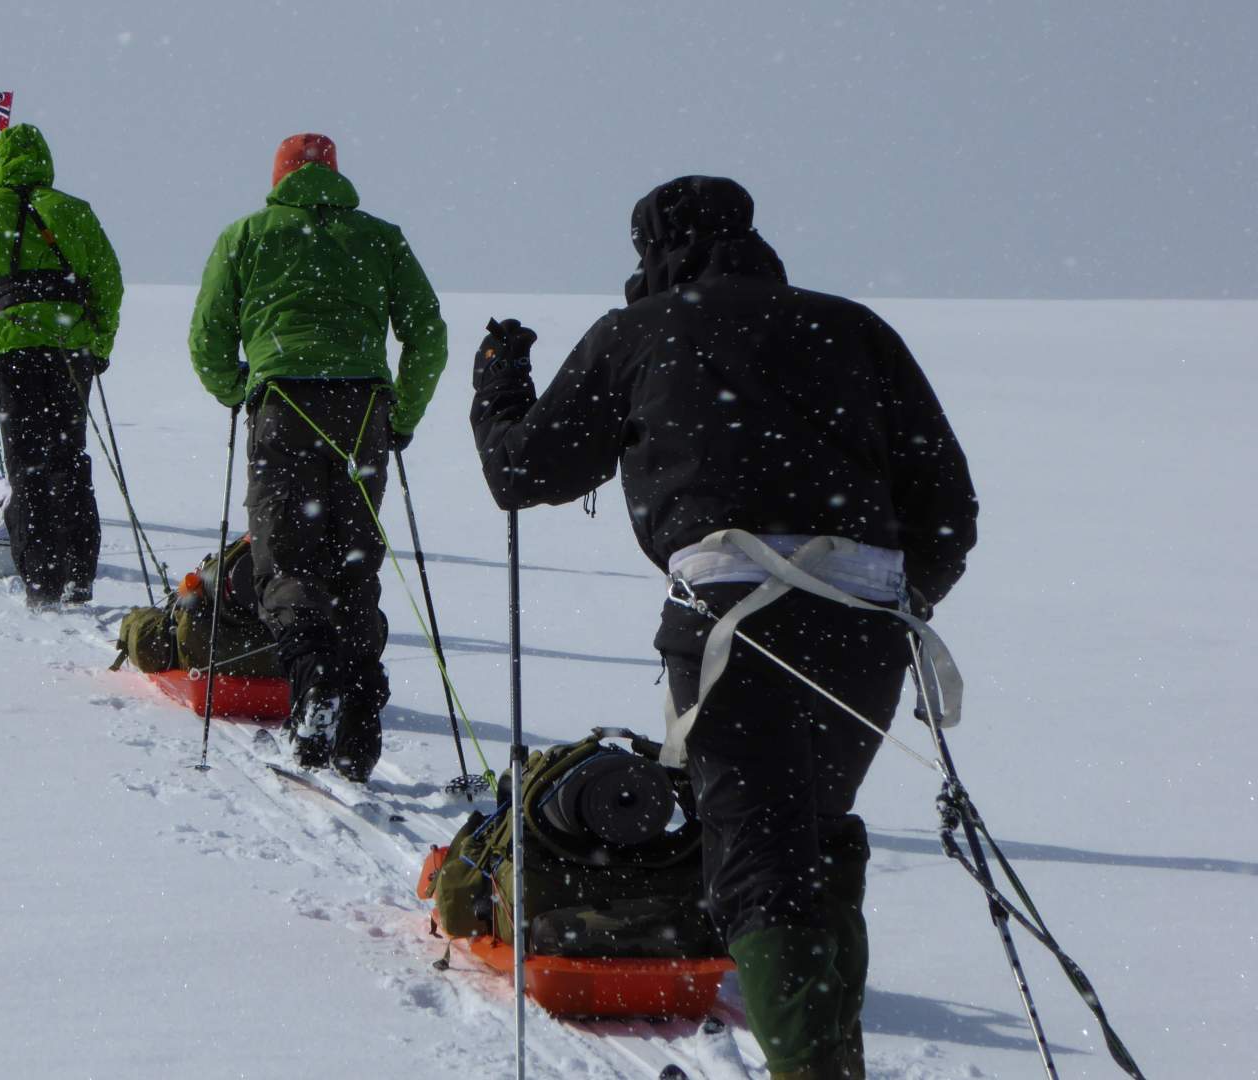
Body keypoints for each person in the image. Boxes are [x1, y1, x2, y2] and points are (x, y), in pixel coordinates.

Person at [471, 176, 977, 1079]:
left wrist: (499, 389)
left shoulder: (641, 331)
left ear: (653, 250)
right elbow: (947, 505)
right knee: (815, 838)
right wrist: (904, 598)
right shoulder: (851, 326)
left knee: (754, 864)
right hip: (865, 629)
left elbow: (522, 472)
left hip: (729, 620)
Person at [188, 133, 448, 782]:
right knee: (353, 562)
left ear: (278, 178)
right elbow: (428, 335)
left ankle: (314, 692)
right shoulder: (381, 238)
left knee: (287, 560)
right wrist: (401, 417)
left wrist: (238, 389)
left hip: (283, 405)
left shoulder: (246, 235)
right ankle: (358, 729)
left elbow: (207, 335)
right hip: (363, 416)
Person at [0, 123, 123, 607]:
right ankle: (79, 574)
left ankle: (41, 579)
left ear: (0, 164)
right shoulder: (74, 211)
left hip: (13, 348)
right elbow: (108, 284)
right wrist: (98, 344)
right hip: (70, 348)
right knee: (70, 459)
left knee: (25, 463)